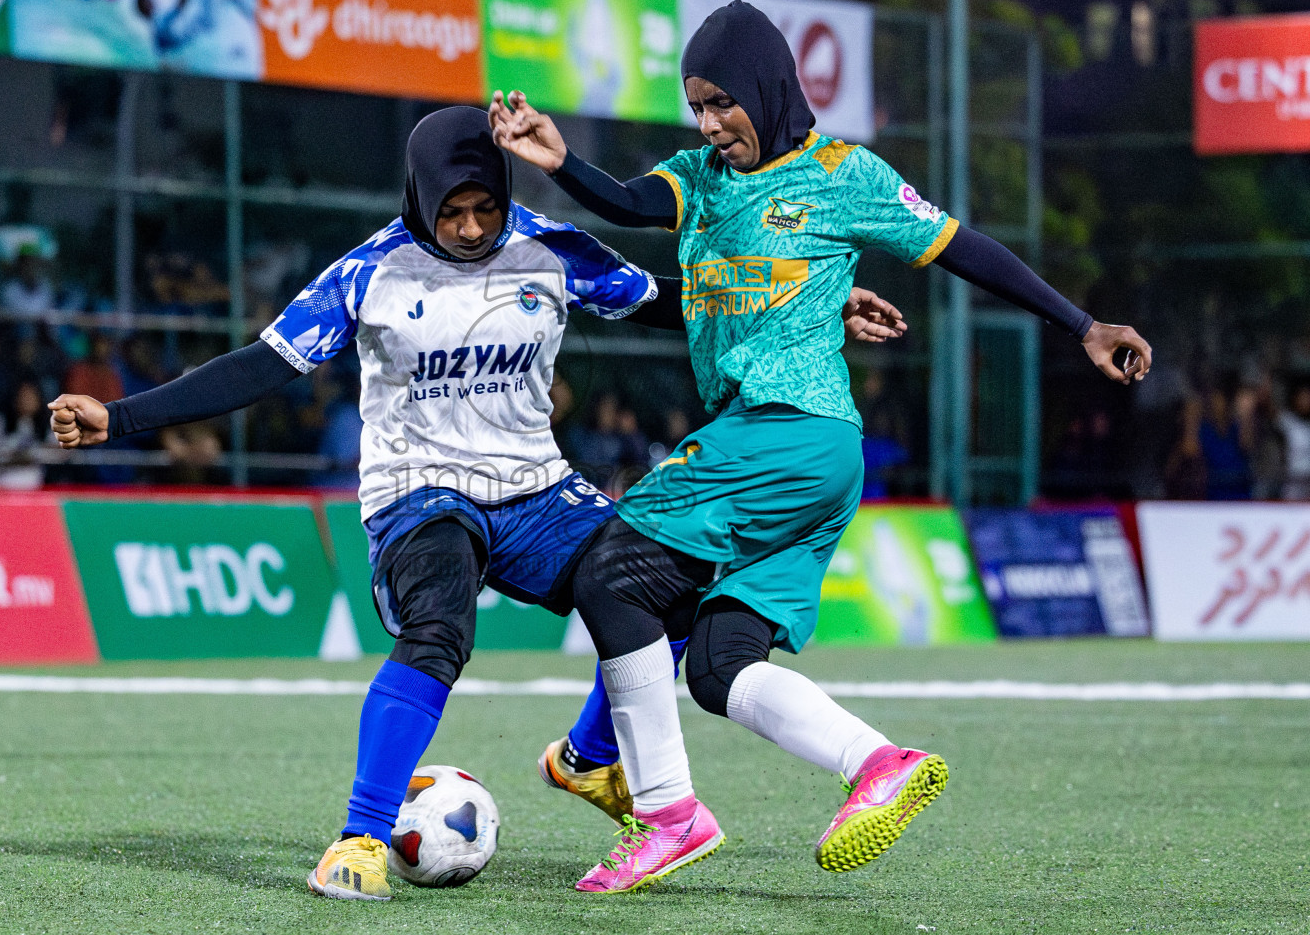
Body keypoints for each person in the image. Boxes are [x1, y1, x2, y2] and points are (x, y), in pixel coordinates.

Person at [47, 106, 906, 901]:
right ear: (419, 202)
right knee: (441, 627)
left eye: (483, 210)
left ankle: (591, 759)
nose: (468, 229)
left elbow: (683, 304)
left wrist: (820, 310)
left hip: (536, 490)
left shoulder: (549, 249)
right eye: (450, 213)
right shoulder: (370, 272)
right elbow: (262, 365)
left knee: (662, 596)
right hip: (420, 495)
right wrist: (119, 417)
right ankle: (359, 838)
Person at [491, 0, 1152, 890]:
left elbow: (967, 249)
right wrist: (565, 162)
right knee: (718, 663)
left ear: (768, 89)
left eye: (723, 100)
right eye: (695, 104)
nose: (709, 122)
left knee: (612, 572)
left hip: (788, 432)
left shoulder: (847, 174)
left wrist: (1079, 324)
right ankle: (876, 763)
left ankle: (666, 813)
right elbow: (634, 201)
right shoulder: (699, 174)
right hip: (799, 459)